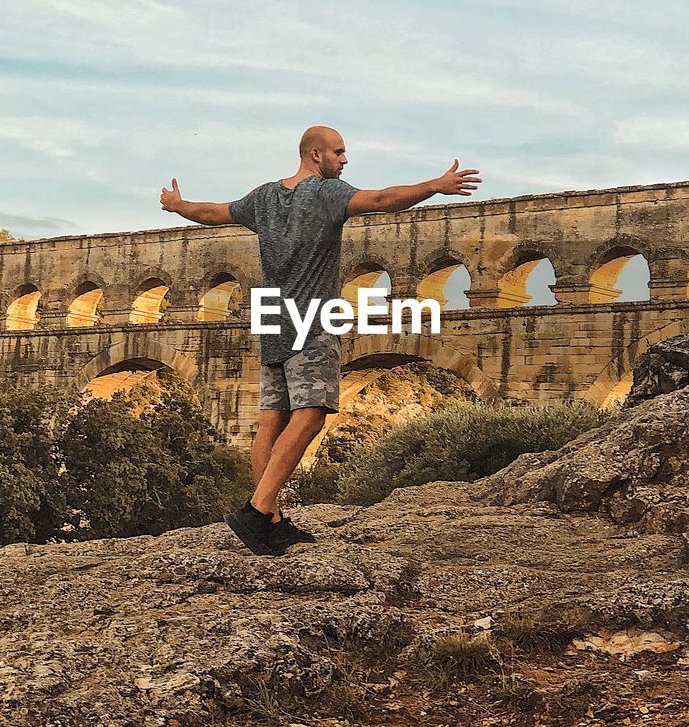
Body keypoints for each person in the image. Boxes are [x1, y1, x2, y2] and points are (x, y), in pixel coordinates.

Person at [160, 125, 481, 555]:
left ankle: (270, 520)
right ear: (316, 155)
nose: (344, 160)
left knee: (273, 418)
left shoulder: (263, 198)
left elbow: (215, 212)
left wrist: (179, 206)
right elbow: (383, 201)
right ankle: (258, 511)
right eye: (339, 152)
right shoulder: (327, 194)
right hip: (311, 317)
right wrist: (434, 186)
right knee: (311, 415)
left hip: (273, 315)